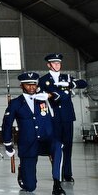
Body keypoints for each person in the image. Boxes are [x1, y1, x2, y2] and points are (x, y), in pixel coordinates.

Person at [2, 72, 66, 195]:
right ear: (22, 86)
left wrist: (49, 95)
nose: (32, 87)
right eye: (28, 85)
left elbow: (63, 96)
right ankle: (23, 171)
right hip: (28, 144)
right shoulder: (16, 103)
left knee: (57, 146)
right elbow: (7, 124)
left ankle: (57, 184)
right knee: (30, 187)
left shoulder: (44, 99)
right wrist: (8, 143)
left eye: (34, 84)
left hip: (46, 141)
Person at [38, 53, 88, 182]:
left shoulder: (67, 78)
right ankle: (57, 173)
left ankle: (67, 173)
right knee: (56, 146)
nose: (57, 65)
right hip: (53, 117)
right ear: (48, 65)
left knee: (67, 146)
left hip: (67, 116)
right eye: (54, 63)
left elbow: (83, 83)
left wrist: (71, 84)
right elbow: (40, 97)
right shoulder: (44, 80)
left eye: (59, 63)